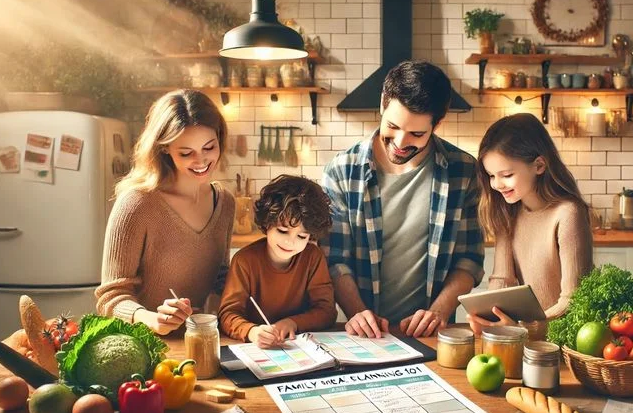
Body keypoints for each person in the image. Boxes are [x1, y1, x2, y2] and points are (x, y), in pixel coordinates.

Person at [321, 60, 484, 339]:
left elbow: (468, 259)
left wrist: (440, 310)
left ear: (438, 123)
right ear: (383, 104)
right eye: (393, 126)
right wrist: (357, 313)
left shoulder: (464, 170)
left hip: (432, 333)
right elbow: (335, 260)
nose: (399, 141)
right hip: (367, 335)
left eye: (416, 133)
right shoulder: (342, 170)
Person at [96, 89, 235, 335]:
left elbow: (219, 277)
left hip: (198, 341)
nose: (201, 160)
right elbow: (111, 298)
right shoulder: (136, 204)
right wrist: (150, 319)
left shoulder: (224, 202)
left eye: (209, 147)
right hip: (142, 346)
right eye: (186, 153)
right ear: (164, 149)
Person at [467, 113, 593, 335]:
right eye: (491, 175)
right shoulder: (507, 212)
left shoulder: (568, 214)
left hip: (562, 341)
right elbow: (502, 281)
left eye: (506, 175)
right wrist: (489, 318)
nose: (497, 185)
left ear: (539, 165)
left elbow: (573, 302)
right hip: (524, 339)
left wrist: (521, 329)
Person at [218, 175, 337, 348]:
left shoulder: (313, 257)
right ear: (267, 224)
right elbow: (228, 314)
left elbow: (326, 312)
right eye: (282, 231)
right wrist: (251, 331)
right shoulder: (244, 261)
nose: (291, 241)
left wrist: (292, 323)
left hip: (300, 347)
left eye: (302, 236)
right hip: (256, 349)